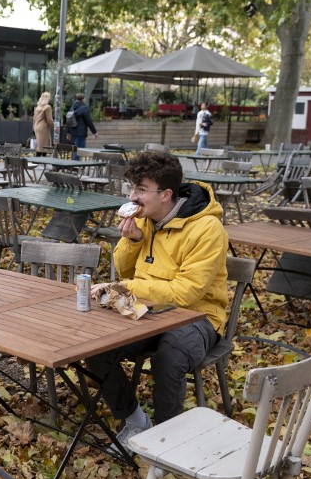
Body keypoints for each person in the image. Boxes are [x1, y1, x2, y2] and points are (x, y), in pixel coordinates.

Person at [86, 150, 229, 449]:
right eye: (131, 188)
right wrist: (133, 240)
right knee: (95, 345)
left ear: (165, 194)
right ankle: (135, 420)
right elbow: (126, 270)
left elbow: (187, 292)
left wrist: (123, 286)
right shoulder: (147, 219)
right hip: (149, 310)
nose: (132, 196)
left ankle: (166, 438)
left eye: (140, 190)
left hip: (198, 316)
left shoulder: (207, 229)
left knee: (172, 352)